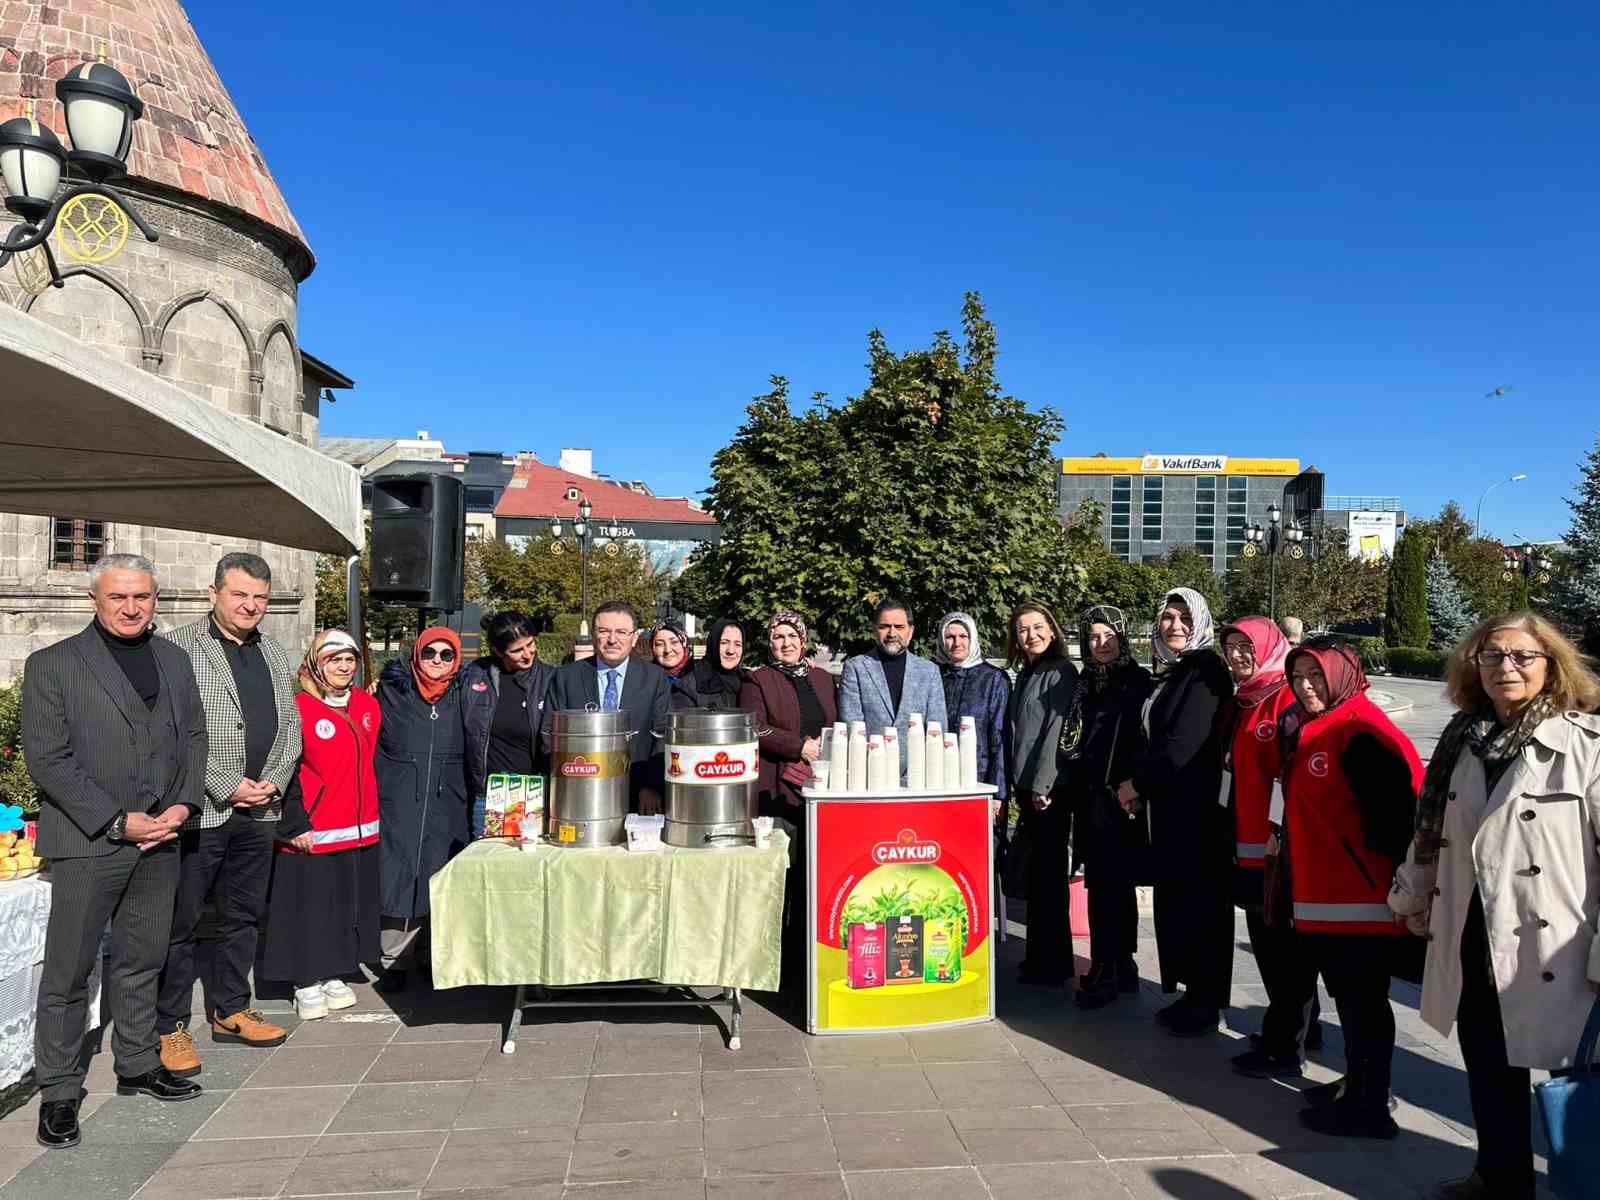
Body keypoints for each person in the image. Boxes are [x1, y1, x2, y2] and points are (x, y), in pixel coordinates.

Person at [1389, 614, 1600, 1196]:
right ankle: (1500, 1175)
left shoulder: (1585, 747)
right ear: (1472, 666)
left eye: (1523, 657)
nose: (1506, 667)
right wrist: (1412, 893)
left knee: (1577, 1076)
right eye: (1492, 656)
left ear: (1551, 666)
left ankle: (1581, 1182)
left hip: (1562, 945)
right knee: (1488, 1065)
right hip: (1476, 932)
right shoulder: (1463, 742)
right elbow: (1430, 832)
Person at [23, 555, 207, 1150]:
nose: (131, 608)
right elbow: (48, 759)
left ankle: (135, 1063)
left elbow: (193, 739)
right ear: (94, 599)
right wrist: (115, 820)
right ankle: (58, 1091)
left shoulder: (175, 661)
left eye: (143, 597)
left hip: (162, 838)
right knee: (69, 971)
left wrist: (182, 806)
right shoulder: (52, 665)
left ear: (157, 599)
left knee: (141, 959)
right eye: (118, 598)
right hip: (88, 842)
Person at [156, 553, 300, 1077]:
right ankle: (169, 1026)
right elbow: (173, 732)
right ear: (213, 593)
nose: (251, 606)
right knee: (184, 921)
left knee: (242, 915)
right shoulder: (178, 648)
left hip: (260, 809)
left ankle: (230, 1008)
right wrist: (225, 785)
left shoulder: (275, 652)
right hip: (205, 809)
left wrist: (274, 782)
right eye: (240, 595)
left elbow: (291, 726)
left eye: (260, 597)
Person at [1278, 638, 1421, 1140]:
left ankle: (1369, 1105)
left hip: (1360, 901)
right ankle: (1359, 1083)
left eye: (1316, 676)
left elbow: (1398, 820)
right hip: (1330, 896)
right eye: (1298, 678)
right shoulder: (1330, 724)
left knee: (1363, 1003)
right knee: (1352, 1002)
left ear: (1341, 676)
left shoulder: (1360, 731)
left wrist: (1388, 887)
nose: (1306, 687)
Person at [1116, 588, 1234, 1036]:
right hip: (1172, 810)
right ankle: (1193, 995)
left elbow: (1182, 744)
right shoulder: (1174, 671)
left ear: (1201, 620)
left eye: (1185, 617)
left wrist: (1138, 784)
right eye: (1167, 617)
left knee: (1201, 906)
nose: (1175, 625)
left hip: (1197, 815)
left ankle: (1204, 1001)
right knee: (1181, 902)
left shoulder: (1205, 670)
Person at [1217, 616, 1320, 1076]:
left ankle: (1285, 1046)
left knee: (1282, 948)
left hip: (1276, 848)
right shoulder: (1244, 699)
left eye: (1247, 646)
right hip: (1246, 841)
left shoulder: (1284, 699)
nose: (1238, 655)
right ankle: (1297, 1029)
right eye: (1232, 646)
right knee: (1269, 942)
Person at [261, 630, 382, 1019]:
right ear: (317, 663)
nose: (344, 667)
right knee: (309, 907)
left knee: (342, 906)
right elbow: (288, 769)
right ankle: (305, 979)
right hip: (313, 827)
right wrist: (294, 822)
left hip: (357, 827)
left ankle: (333, 971)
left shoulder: (366, 704)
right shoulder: (298, 707)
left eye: (349, 659)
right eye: (334, 660)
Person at [1058, 605, 1152, 1009]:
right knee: (1104, 883)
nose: (1101, 644)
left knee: (1113, 885)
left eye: (1108, 636)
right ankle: (1117, 964)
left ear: (1122, 635)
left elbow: (1143, 740)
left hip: (1121, 797)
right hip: (1091, 795)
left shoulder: (1136, 681)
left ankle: (1109, 967)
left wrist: (1133, 786)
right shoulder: (1085, 683)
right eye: (1093, 637)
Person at [740, 612, 838, 991]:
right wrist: (800, 747)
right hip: (778, 789)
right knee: (782, 873)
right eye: (777, 636)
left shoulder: (823, 678)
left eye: (791, 635)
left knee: (813, 874)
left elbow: (838, 720)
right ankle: (774, 961)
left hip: (822, 786)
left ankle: (808, 956)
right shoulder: (758, 678)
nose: (784, 643)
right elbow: (754, 725)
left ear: (803, 638)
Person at [374, 626, 469, 991]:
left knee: (440, 876)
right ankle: (395, 960)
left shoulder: (466, 694)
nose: (437, 662)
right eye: (430, 653)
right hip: (399, 797)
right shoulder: (393, 691)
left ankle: (434, 956)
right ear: (417, 654)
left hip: (450, 798)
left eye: (447, 655)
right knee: (398, 876)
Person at [1004, 600, 1079, 988]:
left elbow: (1056, 730)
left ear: (1052, 630)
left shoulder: (1060, 672)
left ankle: (1051, 964)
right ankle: (1040, 957)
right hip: (1027, 787)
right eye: (1022, 630)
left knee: (1049, 880)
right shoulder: (1029, 672)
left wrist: (1044, 784)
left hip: (1046, 791)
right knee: (1038, 879)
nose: (1030, 636)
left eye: (1037, 628)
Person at [552, 601, 672, 810]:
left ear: (634, 638)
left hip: (639, 795)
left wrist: (651, 786)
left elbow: (662, 736)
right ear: (593, 634)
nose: (612, 640)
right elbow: (550, 735)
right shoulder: (566, 677)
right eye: (604, 631)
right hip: (579, 792)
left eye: (621, 632)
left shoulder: (654, 678)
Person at [462, 611, 556, 838]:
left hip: (533, 794)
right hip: (488, 797)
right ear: (497, 651)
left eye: (530, 644)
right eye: (516, 650)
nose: (527, 654)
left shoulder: (551, 679)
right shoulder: (474, 675)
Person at [838, 599, 948, 782]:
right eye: (885, 626)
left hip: (917, 778)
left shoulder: (929, 671)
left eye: (899, 626)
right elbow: (853, 725)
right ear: (874, 630)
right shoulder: (855, 668)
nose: (892, 633)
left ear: (910, 631)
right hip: (869, 776)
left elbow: (937, 727)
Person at [934, 612, 1010, 799]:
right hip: (938, 778)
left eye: (963, 636)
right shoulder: (933, 675)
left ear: (972, 638)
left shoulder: (993, 678)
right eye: (950, 637)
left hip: (980, 779)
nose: (956, 643)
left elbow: (1000, 737)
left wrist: (998, 793)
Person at [688, 617, 748, 711]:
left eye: (738, 644)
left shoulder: (748, 682)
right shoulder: (691, 684)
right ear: (713, 644)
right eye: (724, 643)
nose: (731, 651)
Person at [650, 619, 704, 710]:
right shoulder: (645, 678)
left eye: (674, 642)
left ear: (684, 643)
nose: (667, 650)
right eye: (659, 644)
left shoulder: (701, 677)